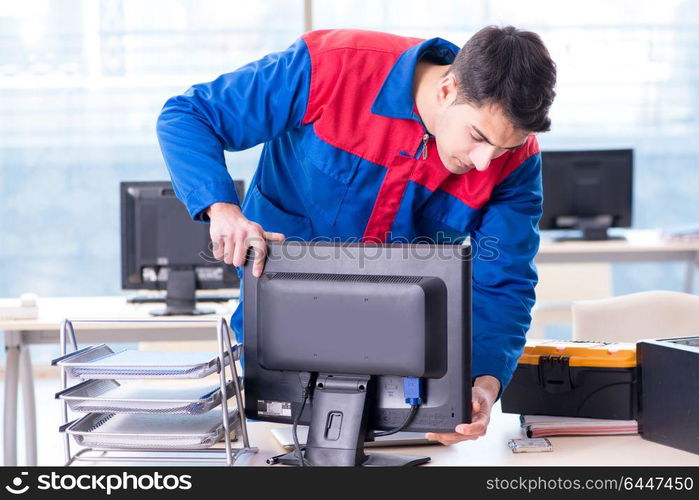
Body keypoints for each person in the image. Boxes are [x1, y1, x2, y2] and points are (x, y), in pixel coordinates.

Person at [156, 26, 557, 445]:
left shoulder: (517, 163)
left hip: (411, 379)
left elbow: (505, 284)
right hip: (282, 354)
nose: (483, 163)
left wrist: (483, 384)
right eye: (478, 137)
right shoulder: (332, 66)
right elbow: (188, 115)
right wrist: (223, 209)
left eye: (503, 148)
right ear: (447, 89)